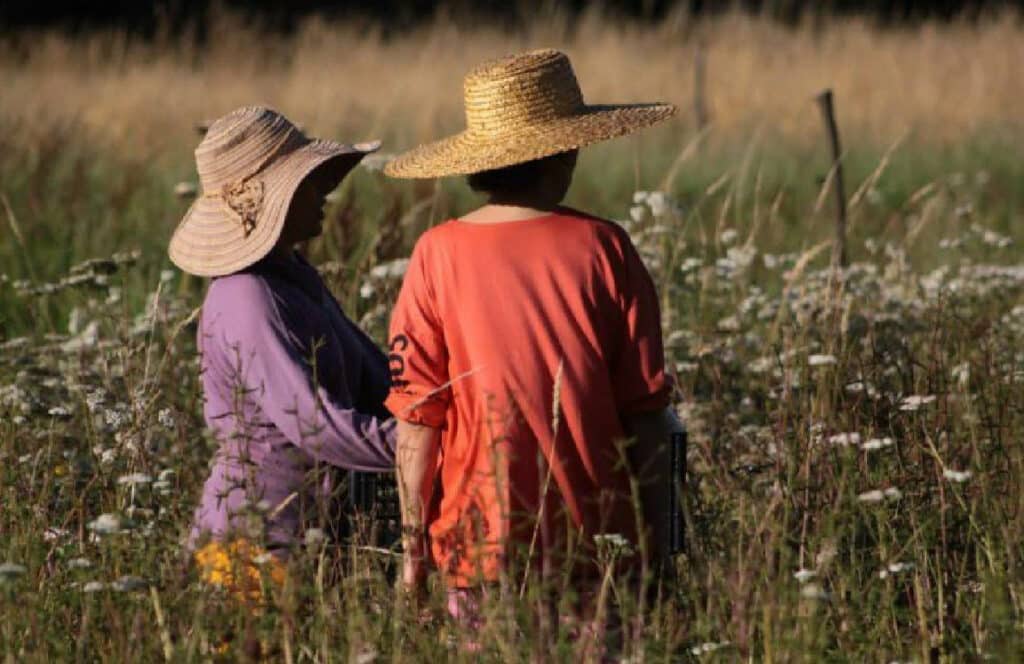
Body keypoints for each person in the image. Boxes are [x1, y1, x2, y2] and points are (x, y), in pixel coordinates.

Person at [382, 49, 680, 630]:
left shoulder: (436, 254)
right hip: (600, 544)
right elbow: (646, 414)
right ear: (563, 151)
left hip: (477, 545)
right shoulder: (606, 248)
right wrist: (659, 544)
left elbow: (418, 421)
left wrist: (412, 552)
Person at [167, 106, 395, 597]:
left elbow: (376, 380)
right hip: (253, 549)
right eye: (311, 182)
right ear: (273, 199)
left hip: (303, 540)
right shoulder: (250, 296)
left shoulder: (292, 278)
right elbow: (314, 425)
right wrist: (422, 444)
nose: (326, 195)